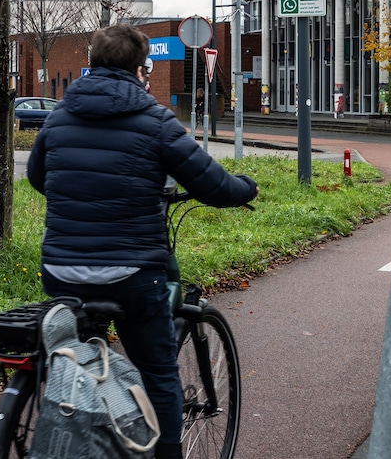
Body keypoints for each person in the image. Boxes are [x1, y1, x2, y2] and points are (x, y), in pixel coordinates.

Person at [26, 23, 258, 459]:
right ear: (140, 69)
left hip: (61, 273)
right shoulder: (154, 120)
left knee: (67, 358)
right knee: (157, 372)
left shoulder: (58, 115)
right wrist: (247, 187)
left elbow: (39, 178)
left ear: (90, 65)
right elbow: (212, 185)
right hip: (130, 273)